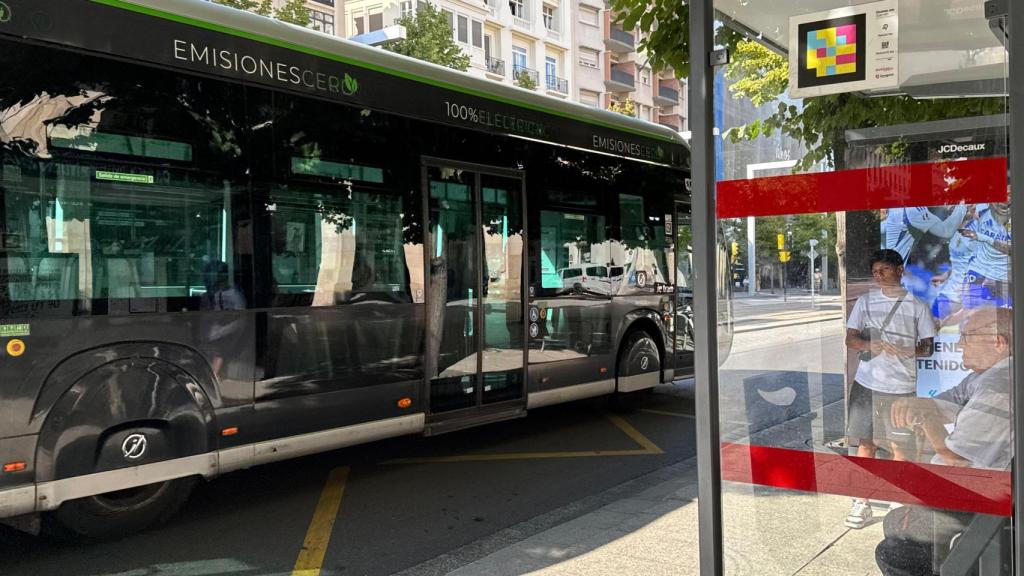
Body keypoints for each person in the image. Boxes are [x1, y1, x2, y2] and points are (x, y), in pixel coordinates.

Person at [874, 306, 1012, 576]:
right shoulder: (983, 376)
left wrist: (927, 420)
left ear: (998, 342)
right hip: (970, 488)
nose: (959, 344)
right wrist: (918, 404)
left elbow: (954, 460)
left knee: (894, 550)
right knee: (896, 524)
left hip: (976, 498)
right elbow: (946, 402)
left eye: (967, 336)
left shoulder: (999, 389)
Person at [844, 249, 937, 529]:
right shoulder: (865, 301)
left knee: (900, 446)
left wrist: (907, 349)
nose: (878, 276)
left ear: (900, 270)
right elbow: (850, 339)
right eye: (874, 272)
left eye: (884, 270)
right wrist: (869, 345)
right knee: (865, 443)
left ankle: (897, 502)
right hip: (866, 384)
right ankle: (862, 501)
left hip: (900, 388)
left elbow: (928, 347)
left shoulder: (916, 306)